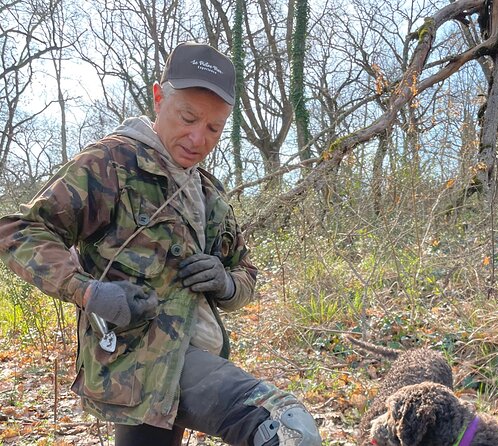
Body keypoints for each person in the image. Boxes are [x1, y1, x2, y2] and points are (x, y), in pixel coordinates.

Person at [0, 42, 322, 446]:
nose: (197, 138)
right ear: (158, 97)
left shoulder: (208, 193)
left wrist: (226, 283)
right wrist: (90, 291)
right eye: (188, 117)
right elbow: (21, 231)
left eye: (213, 128)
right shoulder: (112, 163)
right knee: (285, 427)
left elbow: (246, 273)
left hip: (192, 356)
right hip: (136, 363)